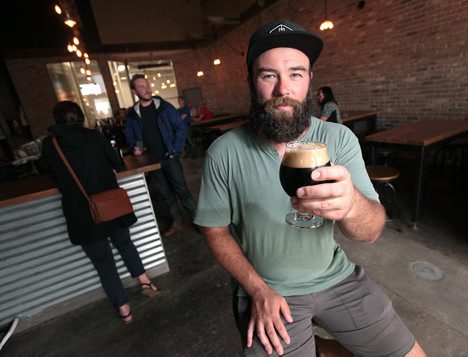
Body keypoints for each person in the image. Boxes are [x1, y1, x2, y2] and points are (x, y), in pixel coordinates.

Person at [194, 19, 426, 357]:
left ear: (309, 81)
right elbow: (214, 230)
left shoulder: (338, 139)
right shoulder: (224, 151)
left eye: (296, 74)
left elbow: (371, 231)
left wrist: (351, 206)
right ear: (251, 81)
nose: (282, 89)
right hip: (269, 290)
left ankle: (320, 348)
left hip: (337, 278)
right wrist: (257, 290)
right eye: (268, 75)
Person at [41, 101, 158, 325]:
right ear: (81, 117)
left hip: (82, 213)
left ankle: (124, 310)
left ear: (56, 120)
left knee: (104, 263)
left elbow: (49, 173)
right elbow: (117, 162)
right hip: (111, 205)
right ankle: (145, 282)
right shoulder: (94, 137)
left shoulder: (51, 145)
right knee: (125, 244)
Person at [124, 74, 197, 237]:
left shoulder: (164, 107)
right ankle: (177, 220)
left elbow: (180, 128)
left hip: (169, 157)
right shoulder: (132, 114)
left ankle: (197, 220)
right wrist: (134, 146)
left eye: (147, 85)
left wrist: (175, 150)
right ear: (134, 91)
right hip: (151, 162)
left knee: (182, 190)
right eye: (141, 86)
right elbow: (129, 134)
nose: (147, 89)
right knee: (165, 193)